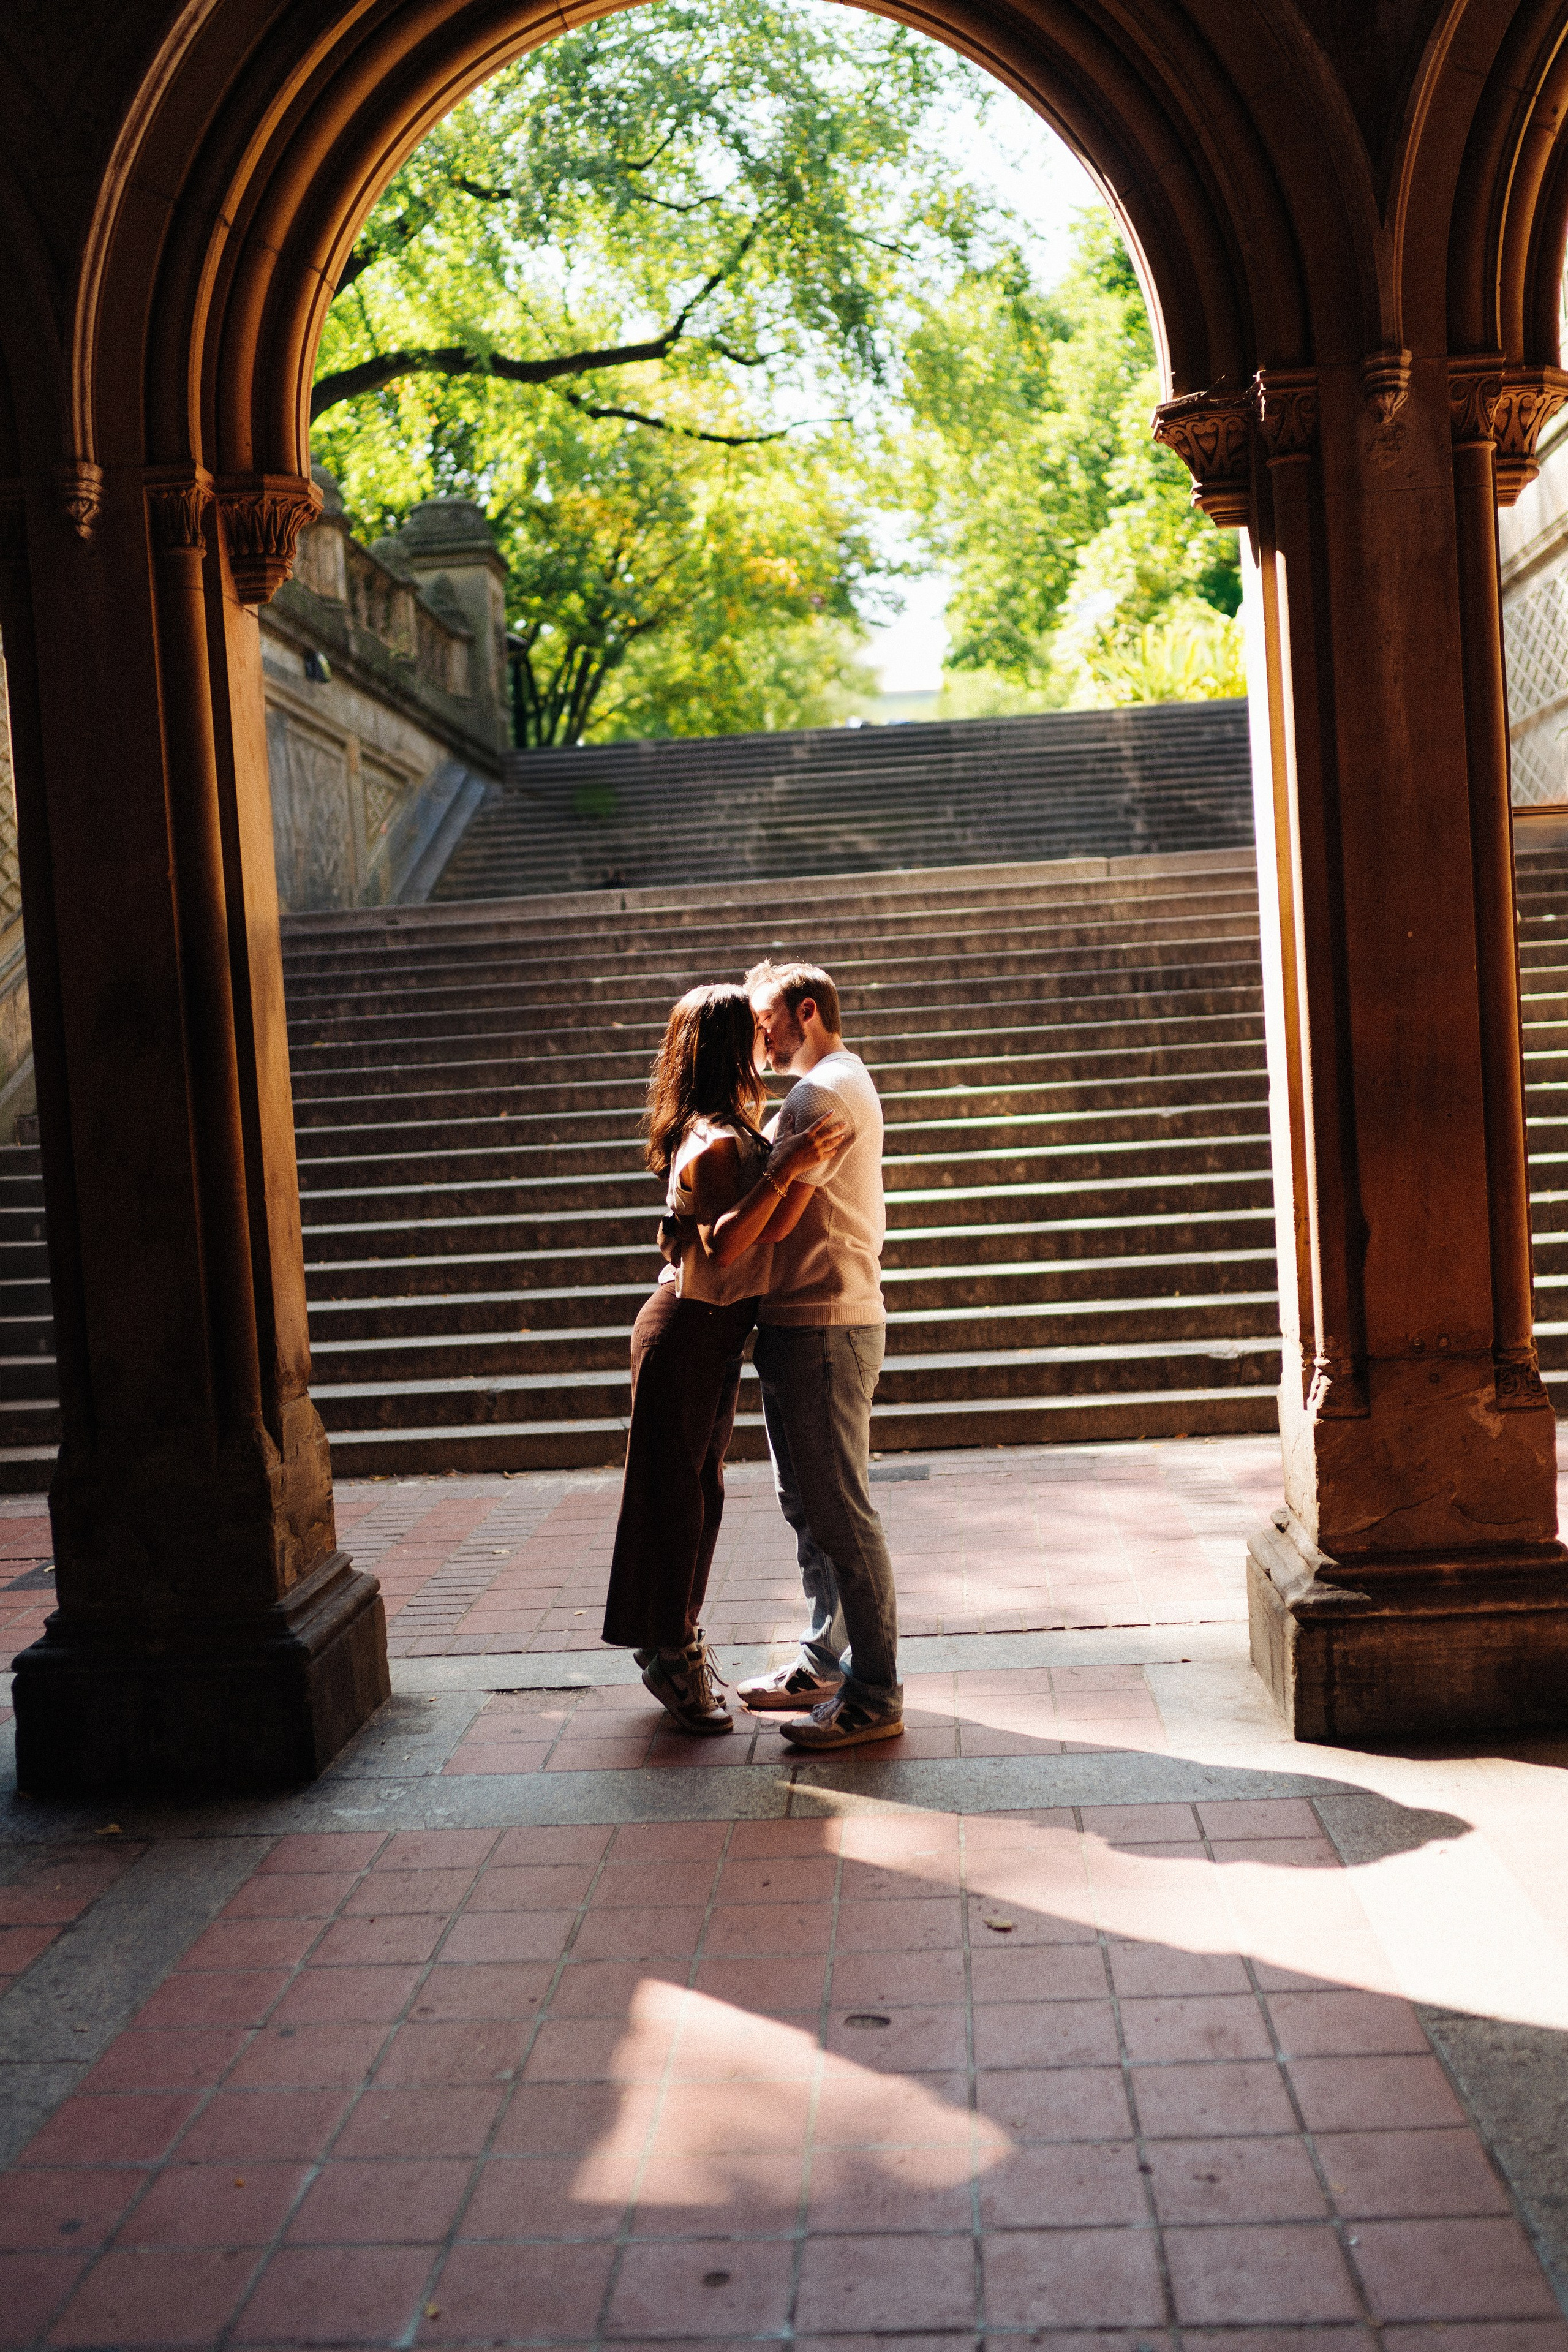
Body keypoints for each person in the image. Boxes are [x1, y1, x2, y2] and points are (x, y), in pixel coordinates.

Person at [601, 982, 847, 1735]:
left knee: (696, 1492)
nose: (765, 1041)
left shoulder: (724, 1127)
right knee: (675, 1495)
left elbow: (765, 1234)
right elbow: (725, 1242)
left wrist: (802, 1165)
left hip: (712, 1333)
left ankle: (672, 1636)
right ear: (723, 1049)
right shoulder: (710, 1139)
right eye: (752, 1031)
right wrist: (787, 1162)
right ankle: (666, 1650)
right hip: (686, 1330)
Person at [734, 959, 904, 1751]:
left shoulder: (818, 1094)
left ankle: (875, 1692)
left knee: (840, 1516)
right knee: (812, 1509)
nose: (757, 1031)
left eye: (767, 1017)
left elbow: (767, 1220)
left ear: (807, 1010)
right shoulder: (843, 1077)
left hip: (824, 1324)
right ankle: (825, 1659)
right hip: (813, 1320)